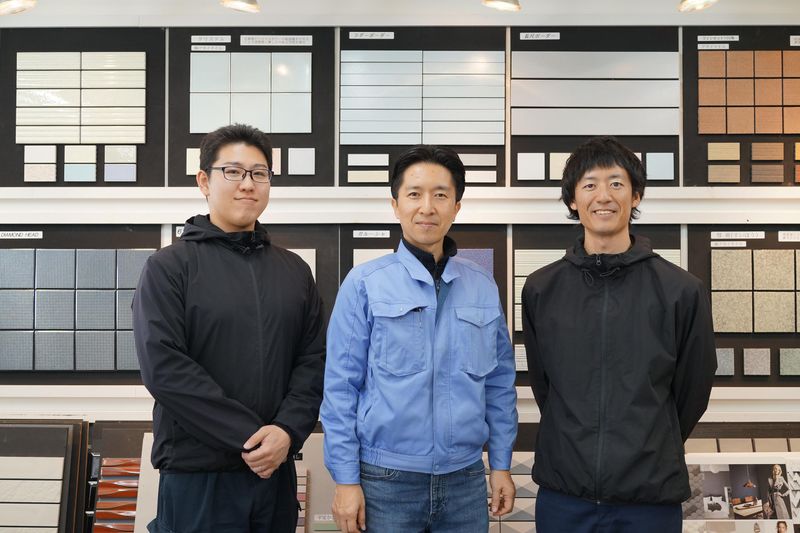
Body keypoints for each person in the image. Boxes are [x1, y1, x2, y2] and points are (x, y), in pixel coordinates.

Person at [133, 124, 326, 532]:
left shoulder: (294, 271)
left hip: (274, 473)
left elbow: (313, 362)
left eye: (259, 173)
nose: (248, 184)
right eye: (233, 172)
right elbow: (165, 369)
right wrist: (251, 437)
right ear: (204, 181)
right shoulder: (169, 268)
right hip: (198, 476)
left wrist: (286, 431)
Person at [521, 136, 717, 533]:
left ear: (636, 195)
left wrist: (652, 441)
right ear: (572, 200)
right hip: (565, 495)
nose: (603, 196)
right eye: (589, 184)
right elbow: (545, 386)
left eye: (616, 183)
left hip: (649, 499)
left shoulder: (681, 290)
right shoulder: (542, 289)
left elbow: (693, 389)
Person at [321, 145, 518, 533]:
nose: (427, 207)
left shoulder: (481, 284)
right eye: (414, 194)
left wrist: (501, 464)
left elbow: (499, 384)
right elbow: (341, 388)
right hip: (385, 482)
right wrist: (345, 480)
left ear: (456, 207)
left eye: (440, 195)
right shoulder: (364, 284)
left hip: (464, 480)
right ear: (396, 205)